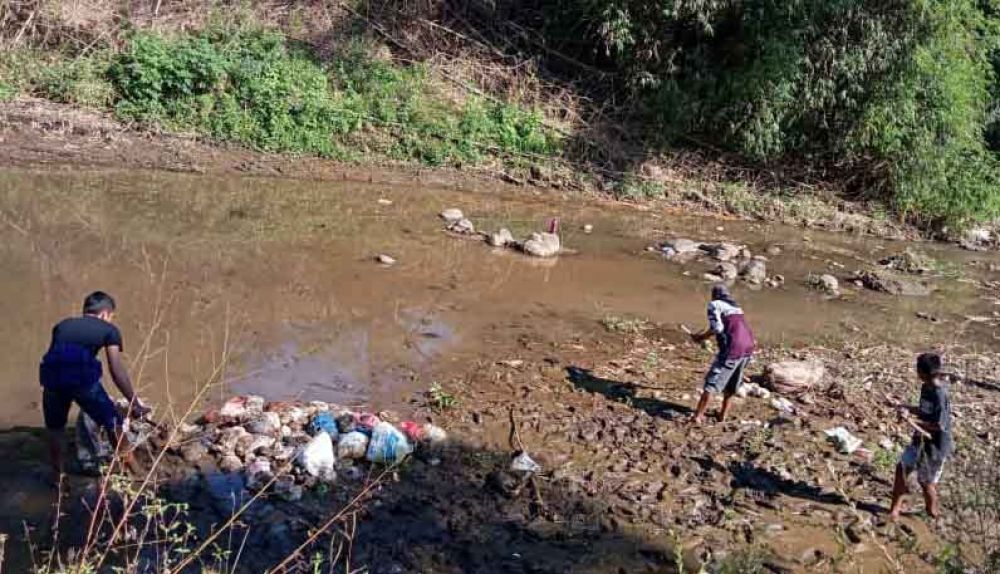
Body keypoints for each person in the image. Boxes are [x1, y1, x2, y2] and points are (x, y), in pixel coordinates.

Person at [39, 291, 149, 476]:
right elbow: (116, 370)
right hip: (83, 382)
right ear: (105, 313)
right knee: (113, 422)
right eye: (111, 316)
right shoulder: (109, 330)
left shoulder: (62, 326)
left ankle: (60, 481)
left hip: (52, 381)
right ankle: (135, 472)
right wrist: (134, 401)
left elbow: (54, 356)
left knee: (56, 429)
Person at [888, 353, 953, 521]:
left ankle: (933, 512)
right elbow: (924, 411)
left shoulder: (940, 395)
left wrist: (909, 419)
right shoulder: (926, 387)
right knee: (901, 469)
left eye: (917, 368)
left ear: (922, 373)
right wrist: (907, 408)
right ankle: (894, 510)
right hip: (919, 439)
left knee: (925, 482)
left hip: (935, 446)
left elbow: (938, 426)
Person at [688, 284, 756, 424]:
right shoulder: (737, 307)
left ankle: (698, 416)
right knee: (732, 384)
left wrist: (700, 338)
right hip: (748, 347)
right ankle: (722, 416)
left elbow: (717, 328)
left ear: (714, 295)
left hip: (733, 348)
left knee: (711, 384)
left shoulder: (714, 305)